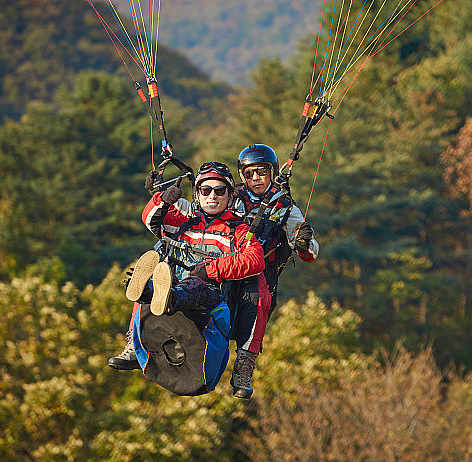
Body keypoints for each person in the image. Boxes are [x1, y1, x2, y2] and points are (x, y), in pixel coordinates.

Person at [108, 162, 271, 399]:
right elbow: (150, 219)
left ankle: (164, 296)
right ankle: (138, 331)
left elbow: (255, 260)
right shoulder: (183, 222)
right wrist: (161, 200)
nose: (212, 196)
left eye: (219, 191)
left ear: (229, 195)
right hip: (174, 286)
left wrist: (210, 270)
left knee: (196, 287)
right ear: (197, 194)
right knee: (153, 267)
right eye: (206, 191)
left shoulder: (238, 230)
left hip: (212, 302)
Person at [227, 144, 320, 394]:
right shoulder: (231, 197)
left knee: (260, 302)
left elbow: (311, 251)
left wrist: (302, 242)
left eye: (261, 171)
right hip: (227, 264)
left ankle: (244, 366)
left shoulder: (285, 206)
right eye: (249, 174)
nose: (255, 178)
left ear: (272, 171)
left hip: (258, 272)